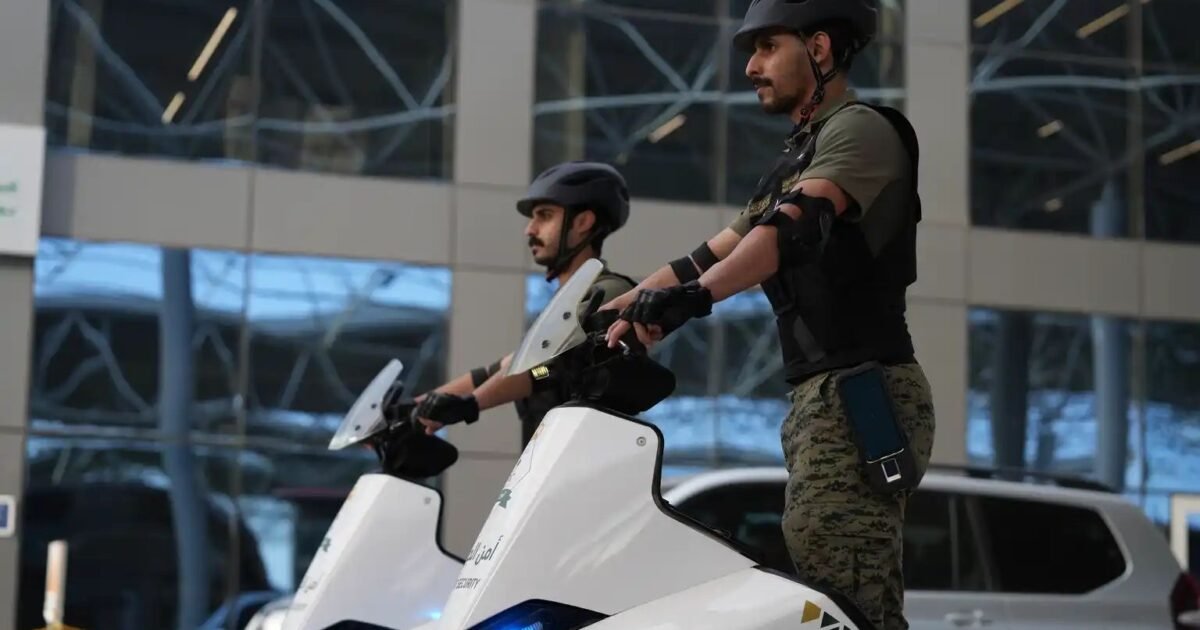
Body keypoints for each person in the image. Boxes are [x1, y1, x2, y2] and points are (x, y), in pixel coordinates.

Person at [600, 1, 935, 627]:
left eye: (766, 47)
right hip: (823, 391)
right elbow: (710, 254)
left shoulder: (860, 130)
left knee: (845, 594)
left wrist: (695, 300)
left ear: (820, 49)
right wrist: (617, 309)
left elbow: (790, 229)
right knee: (828, 576)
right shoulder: (800, 155)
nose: (751, 67)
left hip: (864, 389)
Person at [405, 161, 637, 447]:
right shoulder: (562, 306)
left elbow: (544, 369)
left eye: (545, 216)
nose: (530, 229)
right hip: (549, 461)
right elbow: (503, 368)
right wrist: (417, 407)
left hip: (586, 458)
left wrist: (471, 404)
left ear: (582, 222)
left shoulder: (609, 292)